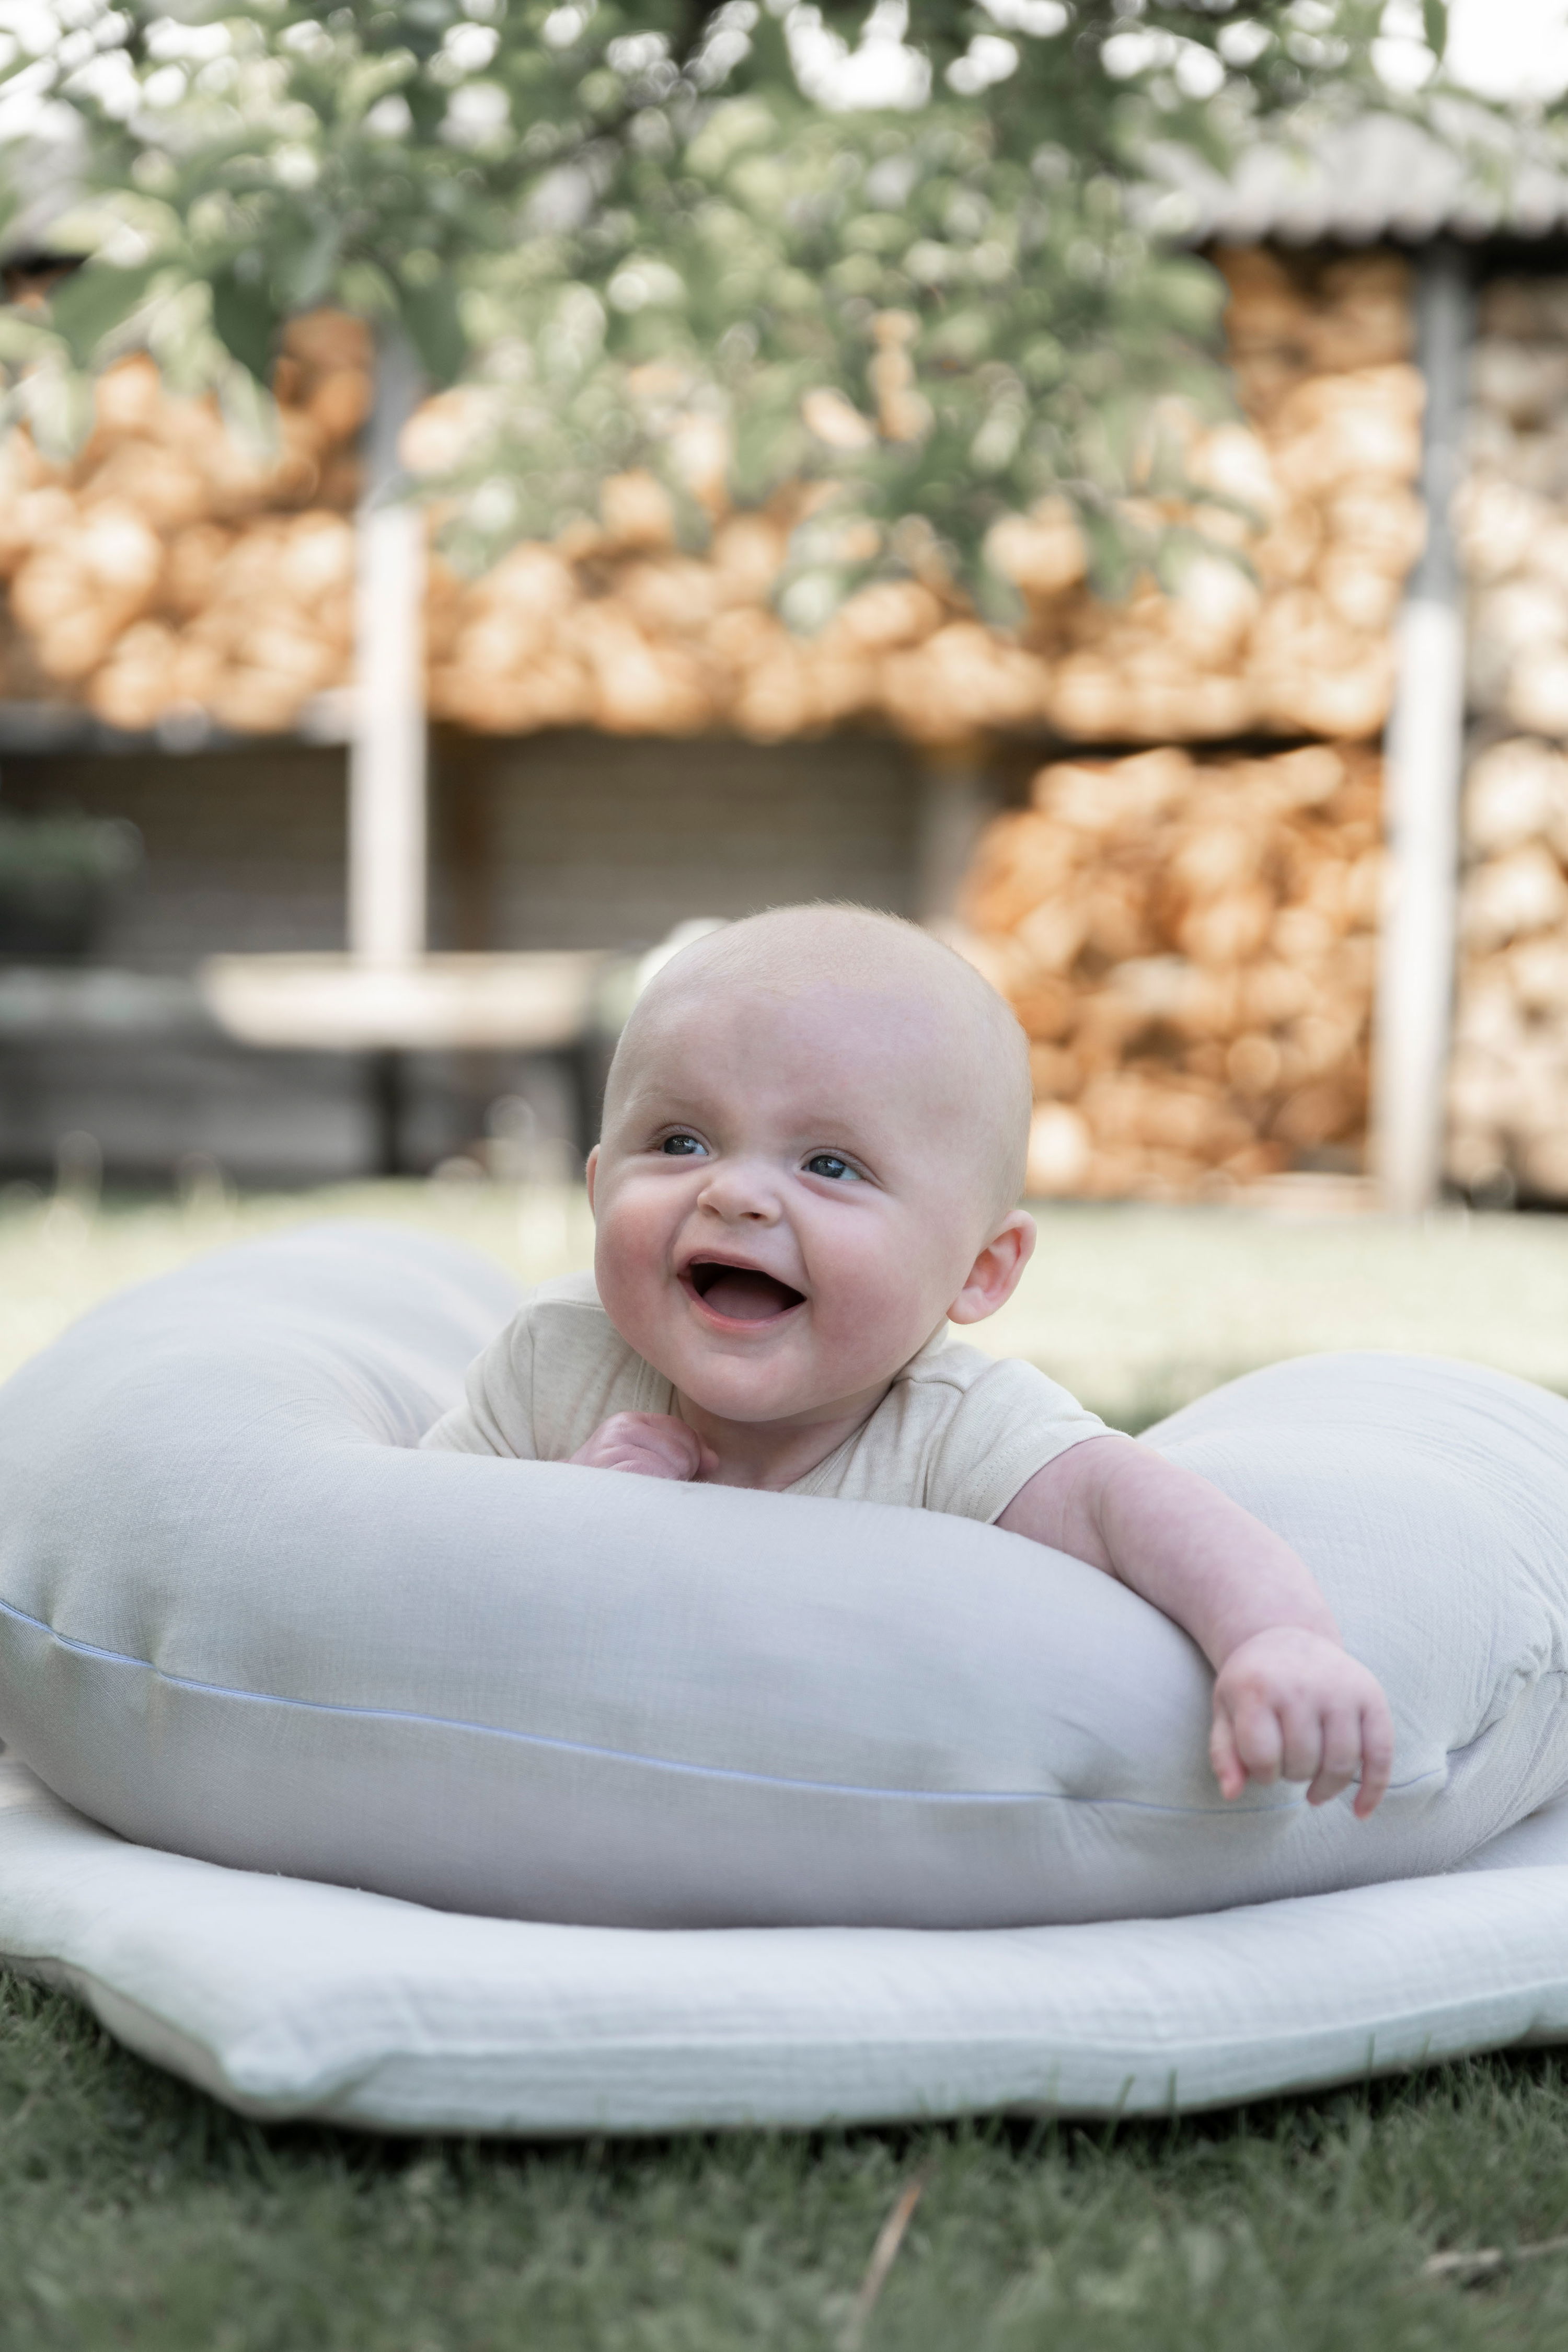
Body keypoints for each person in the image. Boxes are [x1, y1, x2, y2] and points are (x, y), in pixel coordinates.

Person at [423, 903, 1393, 1819]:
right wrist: (564, 1511)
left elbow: (1135, 1509)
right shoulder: (561, 1356)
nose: (738, 1194)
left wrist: (1279, 1639)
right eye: (680, 1141)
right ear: (598, 1189)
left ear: (979, 1270)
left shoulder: (956, 1428)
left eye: (830, 1165)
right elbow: (400, 1554)